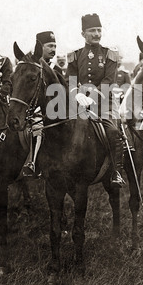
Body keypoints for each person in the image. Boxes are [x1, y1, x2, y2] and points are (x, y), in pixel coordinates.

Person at [65, 13, 124, 189]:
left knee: (113, 132)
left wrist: (91, 99)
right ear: (83, 34)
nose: (97, 34)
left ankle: (115, 171)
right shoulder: (74, 56)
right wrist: (76, 94)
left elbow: (109, 81)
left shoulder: (109, 54)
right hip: (79, 104)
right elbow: (71, 79)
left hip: (104, 104)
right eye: (92, 30)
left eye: (99, 30)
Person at [23, 30, 61, 176]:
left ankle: (35, 162)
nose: (53, 49)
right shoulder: (32, 66)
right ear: (40, 48)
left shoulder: (56, 69)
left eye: (54, 46)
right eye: (49, 46)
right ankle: (30, 162)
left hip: (55, 108)